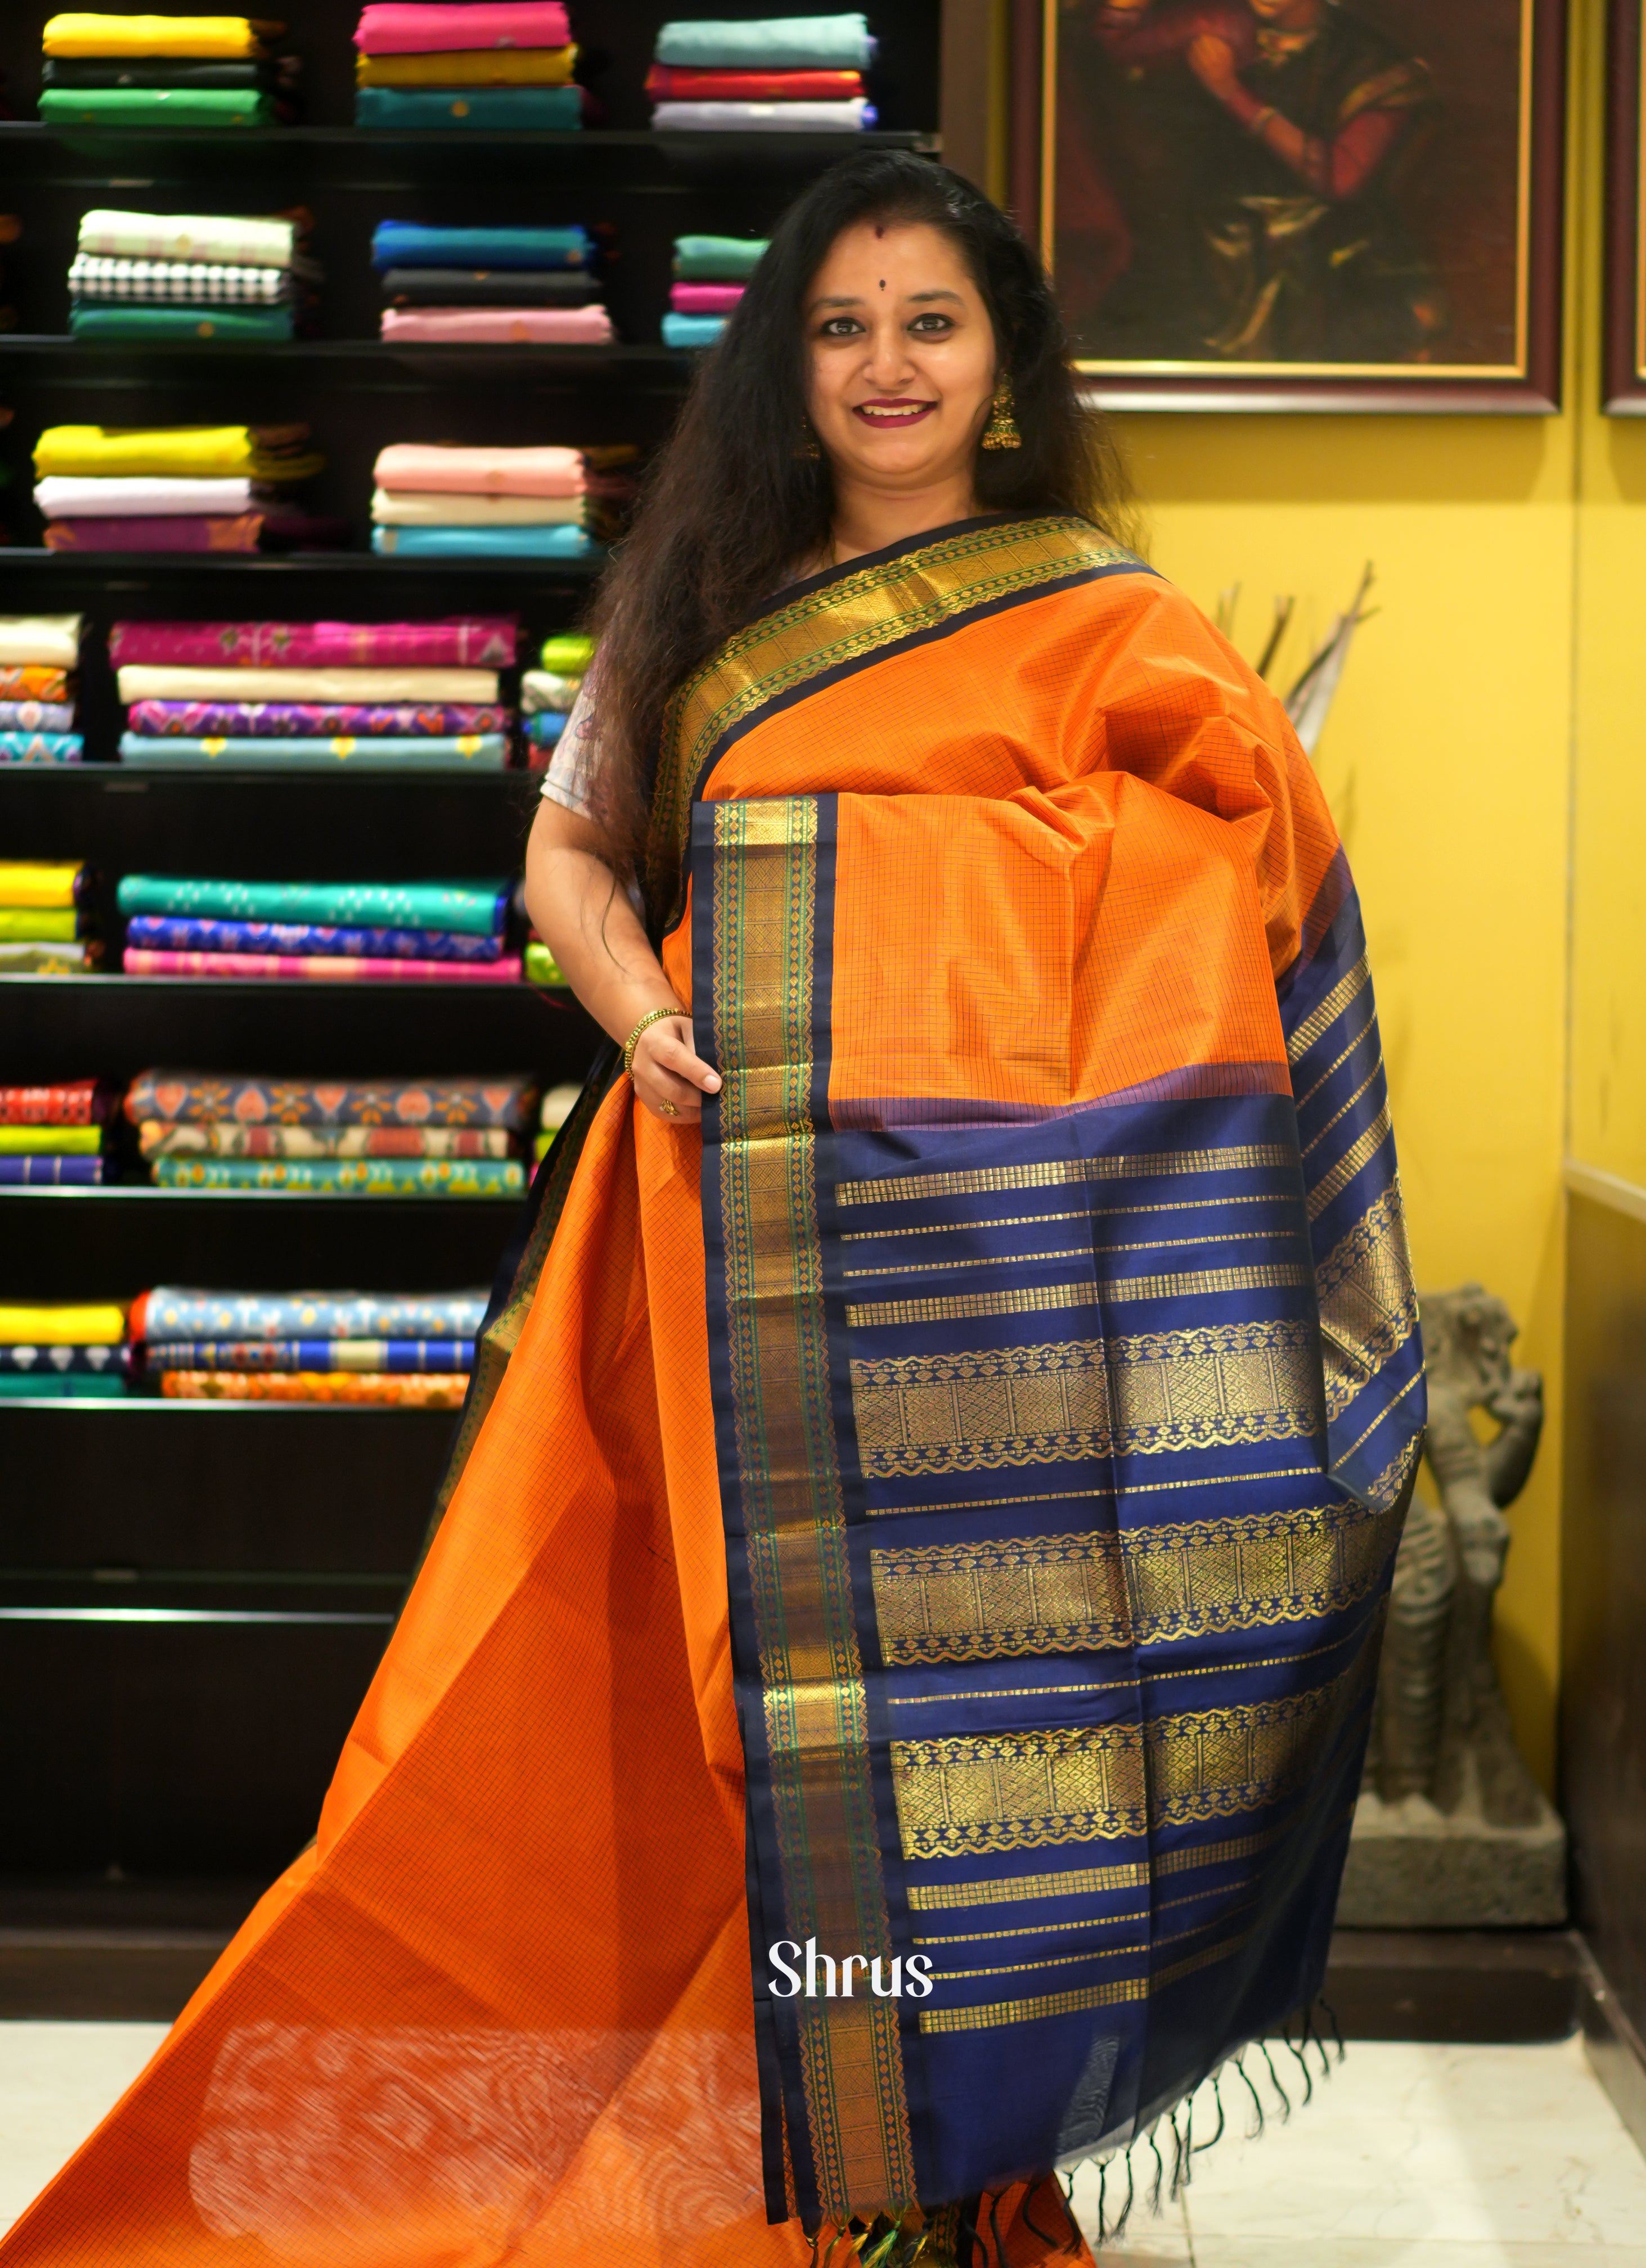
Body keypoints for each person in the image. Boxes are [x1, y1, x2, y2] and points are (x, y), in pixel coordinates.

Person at [0, 153, 1422, 2268]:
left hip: (1003, 1296)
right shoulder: (701, 603)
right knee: (715, 1717)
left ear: (1003, 358)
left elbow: (1251, 881)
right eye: (839, 326)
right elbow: (563, 864)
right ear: (786, 361)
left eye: (927, 321)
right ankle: (761, 2154)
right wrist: (657, 999)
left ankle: (924, 2174)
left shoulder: (1105, 620)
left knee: (980, 1727)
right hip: (711, 1251)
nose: (884, 365)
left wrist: (1047, 890)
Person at [1067, 0, 1441, 361]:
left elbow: (1338, 178)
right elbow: (1116, 46)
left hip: (1325, 251)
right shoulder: (1222, 23)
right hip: (1214, 236)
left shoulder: (1373, 63)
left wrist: (1232, 94)